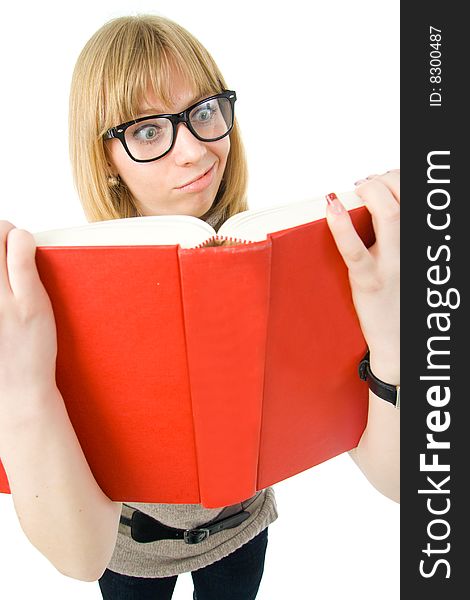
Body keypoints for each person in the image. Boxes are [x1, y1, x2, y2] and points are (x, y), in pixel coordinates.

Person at [0, 13, 399, 600]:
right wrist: (22, 388)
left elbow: (393, 480)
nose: (193, 150)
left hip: (243, 530)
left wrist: (394, 339)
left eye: (204, 112)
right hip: (130, 549)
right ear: (105, 159)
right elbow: (79, 559)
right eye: (147, 131)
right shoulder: (56, 293)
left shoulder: (281, 259)